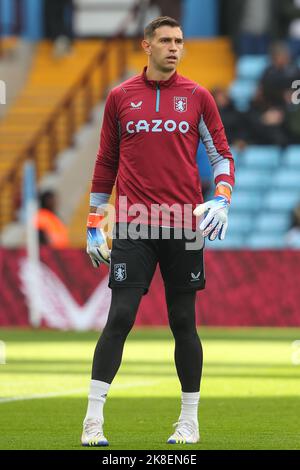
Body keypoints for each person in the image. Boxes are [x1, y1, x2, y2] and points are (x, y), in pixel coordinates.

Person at [82, 16, 235, 447]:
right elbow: (105, 162)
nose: (174, 47)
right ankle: (93, 420)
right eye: (165, 40)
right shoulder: (119, 97)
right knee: (121, 317)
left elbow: (222, 155)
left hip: (184, 224)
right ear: (146, 45)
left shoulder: (198, 96)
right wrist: (96, 220)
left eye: (179, 41)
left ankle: (189, 422)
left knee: (183, 321)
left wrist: (222, 197)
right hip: (133, 222)